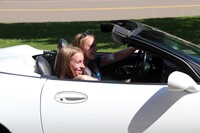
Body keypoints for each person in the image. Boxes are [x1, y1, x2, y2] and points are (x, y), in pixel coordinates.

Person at [72, 32, 137, 80]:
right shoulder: (78, 69)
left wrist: (135, 47)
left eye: (95, 45)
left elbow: (114, 56)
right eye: (91, 46)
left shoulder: (93, 61)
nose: (96, 49)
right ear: (80, 48)